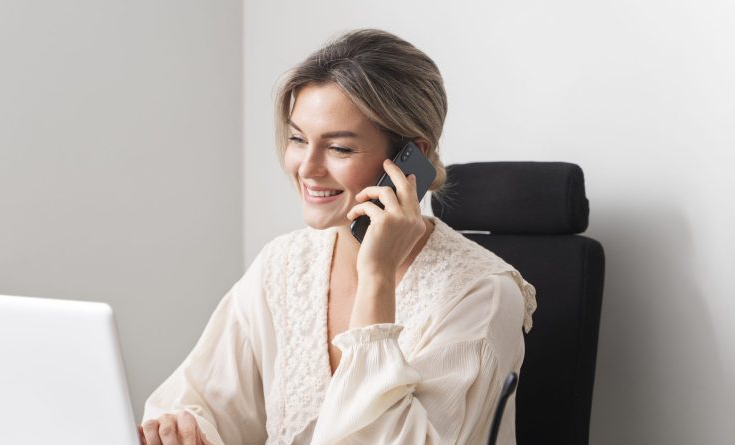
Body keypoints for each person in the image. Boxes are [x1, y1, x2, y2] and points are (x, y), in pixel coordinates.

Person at [139, 29, 537, 445]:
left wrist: (377, 276)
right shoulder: (285, 263)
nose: (307, 168)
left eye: (340, 149)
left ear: (410, 160)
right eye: (298, 139)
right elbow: (201, 400)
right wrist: (181, 428)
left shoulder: (482, 296)